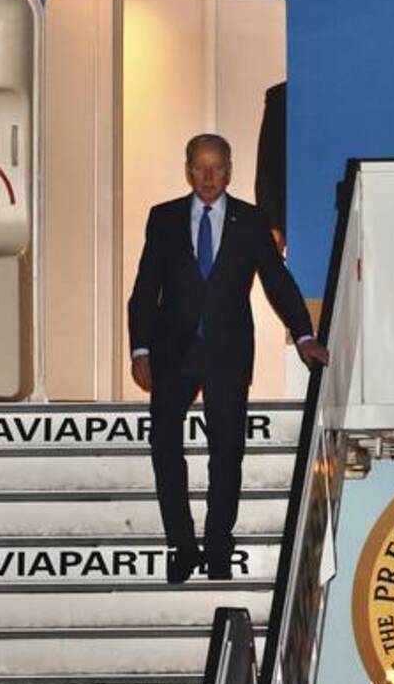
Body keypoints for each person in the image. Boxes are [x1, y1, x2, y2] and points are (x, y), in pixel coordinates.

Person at [128, 133, 329, 583]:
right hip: (171, 352)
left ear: (230, 170)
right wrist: (139, 348)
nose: (208, 178)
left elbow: (278, 282)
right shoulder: (163, 219)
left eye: (217, 168)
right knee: (164, 447)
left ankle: (218, 545)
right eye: (200, 167)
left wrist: (303, 335)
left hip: (227, 353)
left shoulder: (252, 221)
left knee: (226, 452)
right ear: (187, 169)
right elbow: (145, 289)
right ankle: (180, 546)